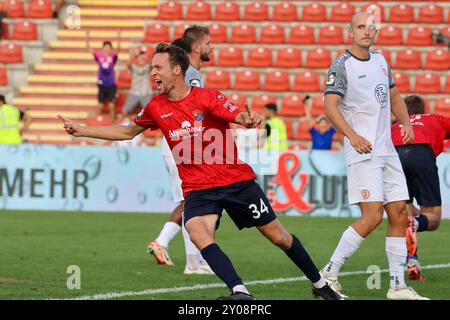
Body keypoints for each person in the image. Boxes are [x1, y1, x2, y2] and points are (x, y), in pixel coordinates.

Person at [57, 43, 343, 300]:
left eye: (158, 67)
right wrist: (82, 129)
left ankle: (320, 285)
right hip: (198, 189)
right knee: (196, 231)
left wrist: (248, 118)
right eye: (152, 67)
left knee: (279, 237)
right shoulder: (156, 107)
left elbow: (237, 115)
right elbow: (126, 131)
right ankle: (240, 291)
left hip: (235, 181)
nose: (152, 72)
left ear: (176, 70)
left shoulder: (207, 98)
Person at [320, 12, 427, 300]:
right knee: (372, 216)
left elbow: (393, 97)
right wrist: (352, 135)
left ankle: (397, 286)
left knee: (400, 214)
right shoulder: (342, 65)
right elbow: (330, 106)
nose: (367, 31)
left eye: (371, 27)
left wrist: (405, 123)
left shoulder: (381, 61)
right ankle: (328, 275)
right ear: (350, 32)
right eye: (361, 27)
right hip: (362, 150)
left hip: (386, 150)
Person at [147, 25, 216, 275]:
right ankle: (193, 262)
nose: (212, 47)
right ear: (197, 47)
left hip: (181, 144)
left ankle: (185, 254)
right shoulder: (192, 75)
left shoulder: (190, 73)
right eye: (208, 42)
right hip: (180, 144)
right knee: (192, 202)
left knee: (192, 201)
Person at [391, 95, 450, 281]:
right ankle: (415, 223)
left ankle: (412, 260)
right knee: (432, 219)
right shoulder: (434, 119)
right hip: (422, 154)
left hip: (394, 158)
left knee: (405, 215)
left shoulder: (394, 124)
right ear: (423, 109)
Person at [122, 48, 152, 116]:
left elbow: (153, 65)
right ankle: (133, 123)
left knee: (151, 113)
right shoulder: (133, 67)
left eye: (143, 58)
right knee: (124, 111)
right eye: (140, 58)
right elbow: (128, 65)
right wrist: (131, 56)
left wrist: (146, 57)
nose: (142, 59)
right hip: (134, 93)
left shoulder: (148, 67)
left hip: (146, 93)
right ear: (137, 59)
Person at [93, 41, 118, 121]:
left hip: (111, 84)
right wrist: (87, 36)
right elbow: (88, 48)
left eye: (108, 47)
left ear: (111, 48)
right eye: (105, 47)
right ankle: (97, 123)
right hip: (102, 84)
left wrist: (119, 36)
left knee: (111, 106)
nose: (107, 49)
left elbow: (119, 49)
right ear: (103, 48)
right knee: (100, 106)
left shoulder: (113, 56)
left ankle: (113, 123)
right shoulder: (99, 55)